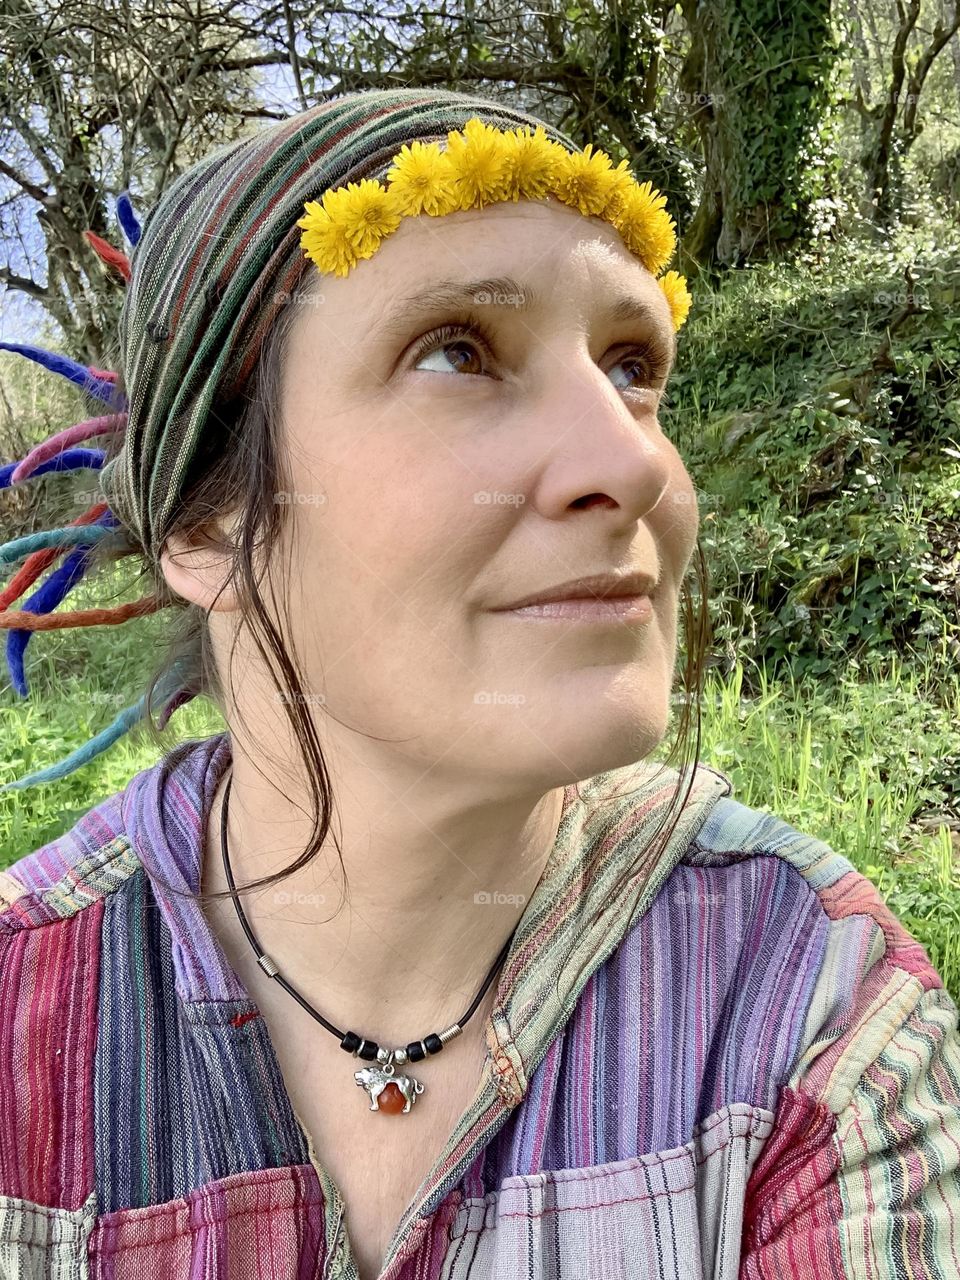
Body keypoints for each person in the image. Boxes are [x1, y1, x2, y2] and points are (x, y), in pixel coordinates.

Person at [0, 86, 958, 1280]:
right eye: (459, 350)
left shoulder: (805, 1006)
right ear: (204, 527)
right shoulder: (20, 1019)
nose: (636, 457)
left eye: (631, 365)